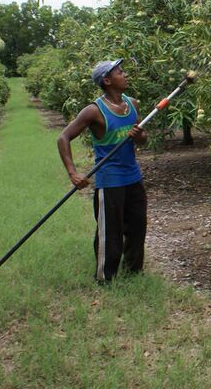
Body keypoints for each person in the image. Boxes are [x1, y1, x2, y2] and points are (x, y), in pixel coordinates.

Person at [57, 59, 149, 282]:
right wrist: (73, 173)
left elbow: (143, 140)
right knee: (110, 232)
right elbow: (63, 138)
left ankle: (133, 273)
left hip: (133, 177)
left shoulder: (132, 104)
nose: (125, 75)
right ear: (107, 80)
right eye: (120, 72)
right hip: (110, 180)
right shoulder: (94, 111)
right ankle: (105, 278)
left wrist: (140, 136)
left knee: (137, 227)